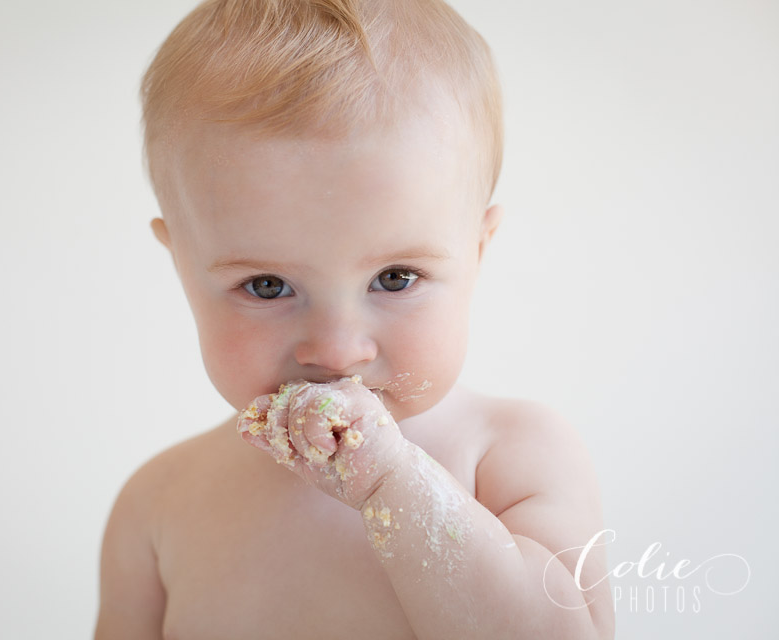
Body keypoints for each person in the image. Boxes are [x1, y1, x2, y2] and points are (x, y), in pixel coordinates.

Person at [95, 1, 614, 637]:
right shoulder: (157, 504)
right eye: (267, 285)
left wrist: (396, 484)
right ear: (181, 265)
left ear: (477, 253)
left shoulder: (511, 455)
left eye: (395, 278)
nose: (338, 351)